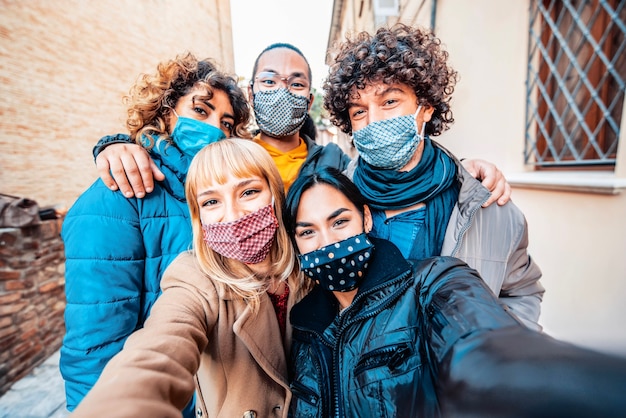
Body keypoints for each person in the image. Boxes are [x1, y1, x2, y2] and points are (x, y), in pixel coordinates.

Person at [283, 167, 626, 418]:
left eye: (340, 221)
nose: (327, 243)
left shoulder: (432, 283)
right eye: (308, 232)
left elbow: (482, 348)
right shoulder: (302, 329)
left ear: (367, 219)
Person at [60, 53, 250, 415]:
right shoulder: (117, 195)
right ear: (165, 112)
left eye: (226, 122)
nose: (216, 129)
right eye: (202, 111)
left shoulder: (216, 193)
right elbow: (94, 344)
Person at [323, 24, 544, 329]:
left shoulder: (485, 205)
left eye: (389, 102)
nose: (373, 121)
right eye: (359, 111)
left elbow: (521, 292)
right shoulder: (332, 204)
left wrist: (494, 354)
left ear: (425, 107)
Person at [70, 138, 309, 418]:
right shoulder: (194, 278)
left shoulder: (307, 263)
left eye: (248, 192)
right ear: (199, 216)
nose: (232, 215)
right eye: (211, 201)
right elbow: (161, 348)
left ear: (274, 195)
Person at [92, 44, 510, 201]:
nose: (281, 91)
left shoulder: (336, 164)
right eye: (269, 81)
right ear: (252, 95)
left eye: (295, 84)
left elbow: (402, 168)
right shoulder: (224, 156)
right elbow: (171, 156)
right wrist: (116, 144)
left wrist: (466, 167)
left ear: (309, 100)